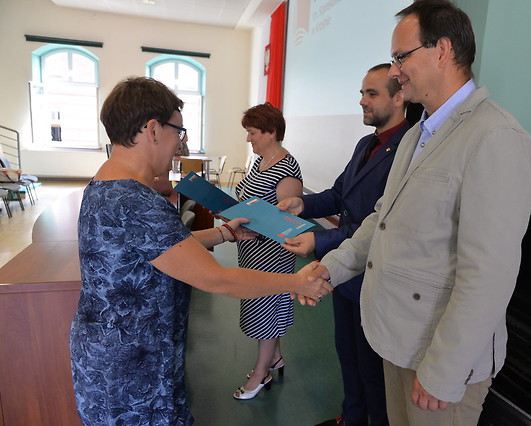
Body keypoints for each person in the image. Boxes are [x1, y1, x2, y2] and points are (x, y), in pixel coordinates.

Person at [306, 1, 531, 425]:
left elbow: (489, 274)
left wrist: (444, 371)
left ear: (442, 50)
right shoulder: (417, 135)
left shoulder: (496, 137)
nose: (395, 71)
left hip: (439, 360)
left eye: (401, 57)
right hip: (398, 341)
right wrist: (331, 268)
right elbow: (382, 219)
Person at [69, 77, 331, 425]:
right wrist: (296, 283)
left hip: (117, 356)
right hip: (132, 371)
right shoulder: (136, 200)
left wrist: (225, 233)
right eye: (179, 131)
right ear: (153, 130)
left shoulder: (107, 185)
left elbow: (166, 247)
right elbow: (216, 279)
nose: (181, 144)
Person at [278, 63, 409, 426]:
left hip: (375, 278)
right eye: (362, 93)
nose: (362, 101)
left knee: (372, 369)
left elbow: (379, 226)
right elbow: (339, 195)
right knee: (347, 356)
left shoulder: (408, 149)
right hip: (345, 276)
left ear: (399, 97)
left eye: (372, 94)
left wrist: (320, 240)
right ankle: (350, 418)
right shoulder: (366, 144)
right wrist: (302, 204)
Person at [232, 102, 304, 400]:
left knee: (265, 310)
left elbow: (287, 223)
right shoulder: (260, 162)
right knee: (261, 305)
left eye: (252, 132)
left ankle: (261, 373)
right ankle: (275, 358)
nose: (248, 138)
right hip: (251, 249)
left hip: (271, 254)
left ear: (271, 131)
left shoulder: (287, 169)